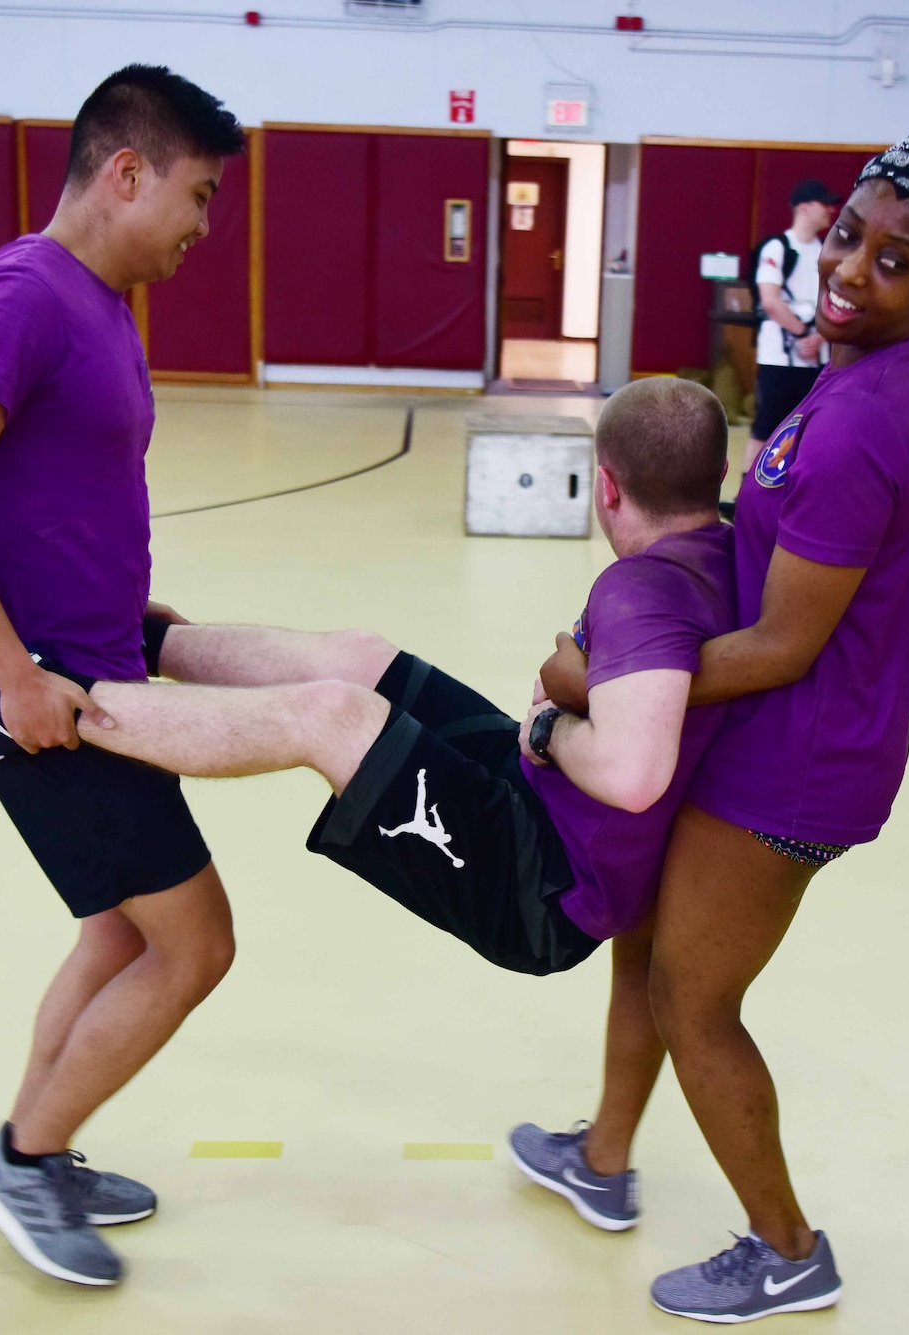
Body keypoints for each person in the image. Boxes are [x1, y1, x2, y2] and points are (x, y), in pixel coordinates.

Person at [45, 379, 735, 1243]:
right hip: (532, 797)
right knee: (361, 661)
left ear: (604, 484)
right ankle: (150, 641)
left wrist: (551, 724)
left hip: (543, 882)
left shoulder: (643, 593)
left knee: (335, 719)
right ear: (717, 478)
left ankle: (65, 702)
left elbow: (633, 775)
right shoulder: (723, 550)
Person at [540, 108, 909, 1323]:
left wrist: (601, 693)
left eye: (893, 260)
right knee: (646, 945)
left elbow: (779, 646)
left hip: (793, 769)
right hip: (763, 743)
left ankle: (786, 1247)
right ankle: (601, 1156)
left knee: (692, 1003)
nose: (852, 271)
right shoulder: (866, 368)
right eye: (849, 238)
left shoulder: (866, 418)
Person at [0, 64, 245, 1289]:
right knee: (192, 946)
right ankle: (23, 1160)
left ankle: (37, 1147)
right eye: (195, 196)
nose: (202, 227)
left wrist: (121, 614)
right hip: (38, 689)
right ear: (126, 171)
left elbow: (53, 490)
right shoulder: (19, 295)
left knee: (116, 929)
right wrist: (16, 674)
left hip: (89, 662)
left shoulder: (95, 303)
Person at [747, 180, 840, 453]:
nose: (831, 210)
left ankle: (793, 487)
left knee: (808, 427)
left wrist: (820, 337)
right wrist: (803, 334)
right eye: (824, 204)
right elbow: (770, 300)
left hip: (816, 359)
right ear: (804, 207)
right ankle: (748, 488)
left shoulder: (828, 251)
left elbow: (835, 299)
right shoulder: (777, 248)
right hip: (779, 356)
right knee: (767, 426)